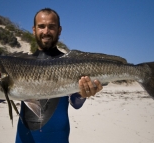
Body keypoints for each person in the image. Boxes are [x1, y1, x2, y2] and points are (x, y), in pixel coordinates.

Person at [15, 8, 103, 143]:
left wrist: (83, 94)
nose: (46, 31)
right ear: (34, 30)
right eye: (41, 26)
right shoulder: (20, 64)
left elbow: (76, 103)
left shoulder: (72, 63)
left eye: (51, 27)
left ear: (59, 30)